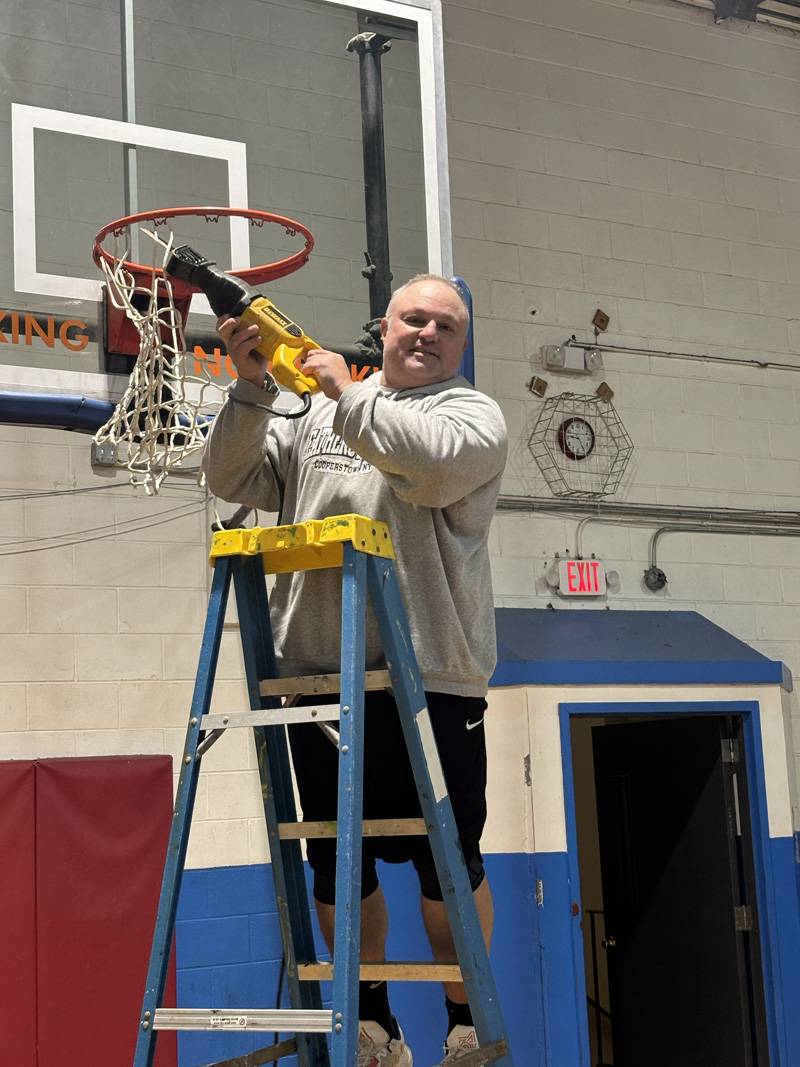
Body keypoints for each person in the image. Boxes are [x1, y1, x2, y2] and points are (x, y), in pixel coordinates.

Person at [203, 274, 508, 1066]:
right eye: (414, 318)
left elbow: (427, 466)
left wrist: (345, 392)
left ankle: (464, 1013)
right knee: (339, 865)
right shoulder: (313, 411)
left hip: (432, 676)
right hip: (314, 674)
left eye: (446, 326)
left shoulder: (471, 415)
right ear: (386, 323)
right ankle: (373, 1020)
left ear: (459, 345)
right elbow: (232, 478)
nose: (428, 333)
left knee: (449, 867)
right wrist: (251, 386)